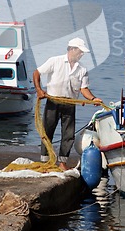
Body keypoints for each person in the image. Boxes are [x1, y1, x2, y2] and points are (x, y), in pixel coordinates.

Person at [33, 37, 102, 171]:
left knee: (68, 135)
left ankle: (62, 162)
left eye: (82, 52)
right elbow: (37, 73)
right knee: (47, 131)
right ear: (72, 49)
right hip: (53, 101)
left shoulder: (82, 69)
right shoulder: (55, 61)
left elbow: (84, 89)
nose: (81, 54)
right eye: (80, 51)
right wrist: (39, 90)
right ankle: (45, 161)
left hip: (70, 103)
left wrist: (93, 99)